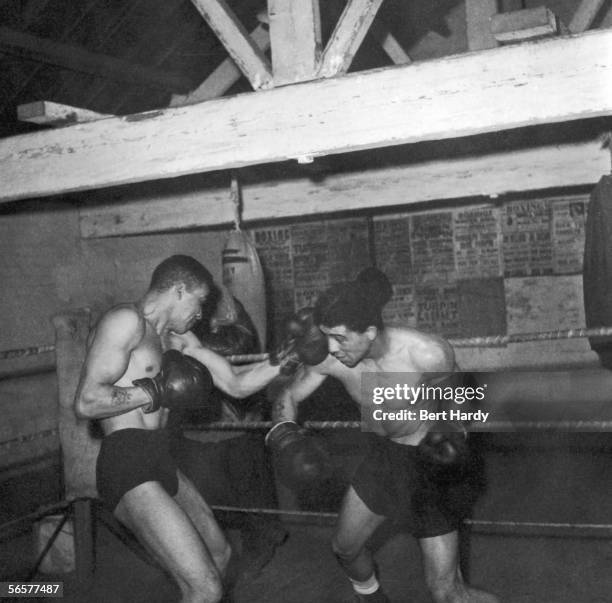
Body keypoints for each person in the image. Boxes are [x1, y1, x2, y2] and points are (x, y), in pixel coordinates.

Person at [267, 268, 499, 603]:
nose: (332, 348)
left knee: (446, 591)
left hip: (429, 463)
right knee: (345, 549)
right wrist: (285, 436)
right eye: (328, 336)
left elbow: (462, 404)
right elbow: (288, 396)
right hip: (383, 459)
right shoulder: (333, 357)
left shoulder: (425, 353)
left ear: (370, 332)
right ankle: (372, 598)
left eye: (341, 338)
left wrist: (453, 436)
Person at [73, 255, 287, 603]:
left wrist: (287, 359)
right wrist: (155, 391)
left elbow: (235, 384)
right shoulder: (126, 321)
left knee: (221, 557)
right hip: (128, 462)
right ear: (179, 290)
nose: (201, 313)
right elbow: (86, 401)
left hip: (163, 458)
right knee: (204, 588)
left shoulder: (178, 337)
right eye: (200, 302)